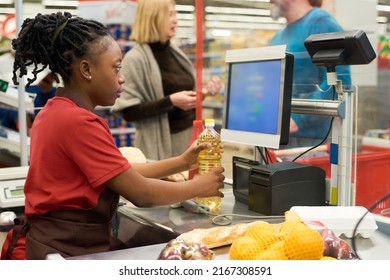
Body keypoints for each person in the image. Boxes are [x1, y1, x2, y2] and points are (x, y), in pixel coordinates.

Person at [1, 12, 224, 260]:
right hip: (66, 253)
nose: (122, 78)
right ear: (86, 69)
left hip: (52, 244)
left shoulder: (53, 111)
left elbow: (121, 172)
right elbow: (142, 194)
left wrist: (183, 162)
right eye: (116, 67)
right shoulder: (78, 122)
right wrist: (198, 187)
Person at [110, 0, 221, 160]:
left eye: (175, 13)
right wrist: (170, 102)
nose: (175, 19)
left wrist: (202, 93)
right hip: (161, 146)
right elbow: (128, 111)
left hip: (189, 138)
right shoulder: (135, 59)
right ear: (153, 18)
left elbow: (180, 93)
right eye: (169, 14)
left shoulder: (176, 53)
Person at [269, 0, 351, 150]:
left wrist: (298, 119)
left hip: (310, 141)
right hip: (278, 136)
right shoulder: (277, 37)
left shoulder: (321, 23)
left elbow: (339, 78)